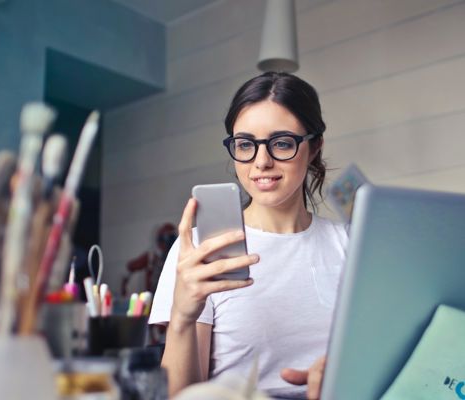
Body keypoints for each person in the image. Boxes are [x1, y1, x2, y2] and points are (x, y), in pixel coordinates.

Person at [149, 72, 348, 399]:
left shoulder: (350, 245)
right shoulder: (201, 250)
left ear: (314, 147)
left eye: (282, 143)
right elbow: (181, 396)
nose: (262, 162)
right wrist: (183, 317)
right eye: (245, 144)